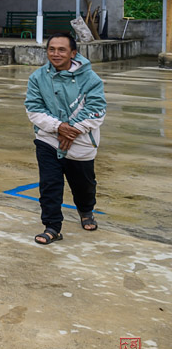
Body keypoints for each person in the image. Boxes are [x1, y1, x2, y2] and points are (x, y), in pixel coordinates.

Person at [24, 33, 107, 245]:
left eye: (62, 50)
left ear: (73, 53)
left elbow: (96, 109)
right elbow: (33, 109)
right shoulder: (37, 77)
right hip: (48, 139)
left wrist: (72, 130)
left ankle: (86, 210)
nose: (56, 54)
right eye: (52, 49)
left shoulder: (91, 79)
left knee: (84, 185)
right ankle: (52, 227)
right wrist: (58, 127)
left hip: (81, 142)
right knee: (50, 185)